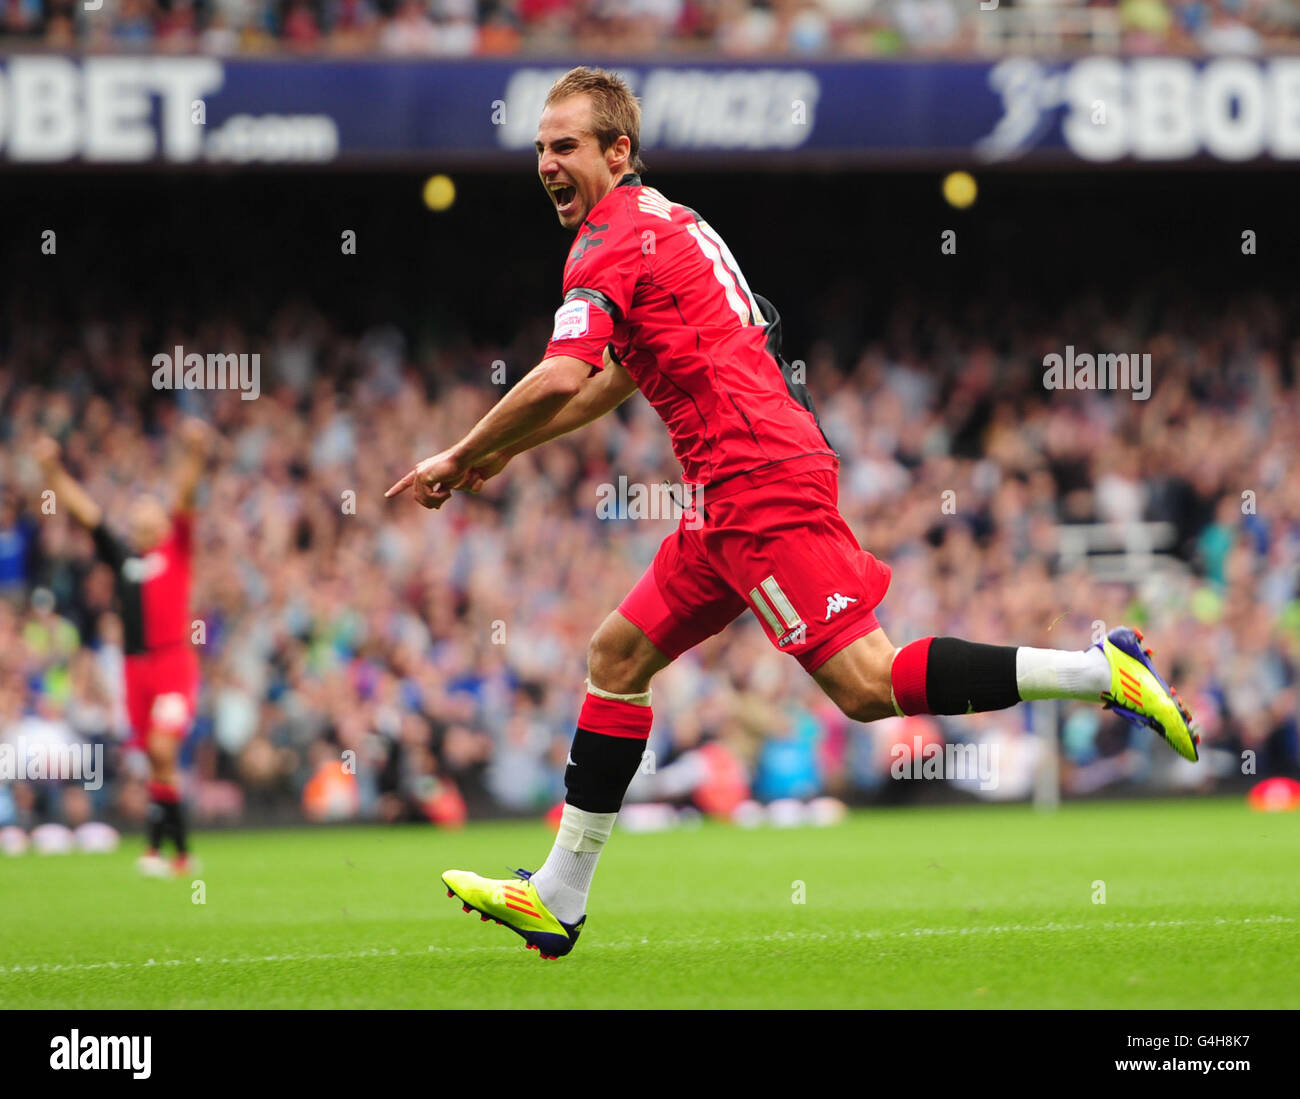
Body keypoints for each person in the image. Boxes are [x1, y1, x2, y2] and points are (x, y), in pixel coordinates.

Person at [385, 66, 1199, 960]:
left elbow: (560, 373)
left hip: (756, 481)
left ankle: (1099, 671)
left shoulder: (608, 240)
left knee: (866, 684)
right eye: (540, 147)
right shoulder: (671, 223)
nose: (547, 163)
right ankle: (557, 893)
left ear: (618, 152)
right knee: (616, 655)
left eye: (566, 146)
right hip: (729, 490)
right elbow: (616, 376)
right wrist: (501, 452)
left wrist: (461, 453)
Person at [36, 419, 210, 877]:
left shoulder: (176, 549)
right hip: (135, 668)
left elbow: (187, 497)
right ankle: (172, 853)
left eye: (148, 509)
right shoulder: (125, 558)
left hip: (171, 661)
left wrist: (194, 454)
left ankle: (171, 851)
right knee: (154, 760)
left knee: (162, 748)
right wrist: (53, 475)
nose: (140, 514)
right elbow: (87, 514)